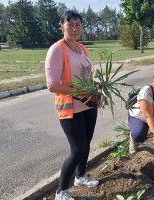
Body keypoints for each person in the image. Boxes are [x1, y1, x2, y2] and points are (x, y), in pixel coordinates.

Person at [45, 10, 99, 200]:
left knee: (87, 143)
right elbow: (52, 85)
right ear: (62, 26)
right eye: (70, 25)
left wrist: (98, 89)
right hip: (70, 107)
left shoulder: (82, 48)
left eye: (78, 25)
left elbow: (87, 76)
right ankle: (61, 191)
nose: (75, 29)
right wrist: (79, 92)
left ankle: (81, 176)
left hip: (88, 104)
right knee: (78, 150)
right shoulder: (57, 50)